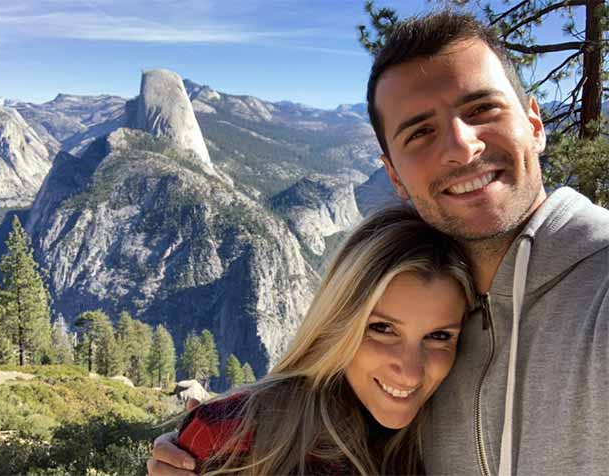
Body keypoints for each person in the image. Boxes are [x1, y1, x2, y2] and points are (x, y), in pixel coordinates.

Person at [149, 11, 609, 476]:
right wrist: (215, 435)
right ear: (395, 177)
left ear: (535, 124)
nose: (460, 146)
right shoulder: (391, 401)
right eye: (421, 132)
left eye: (481, 110)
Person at [148, 206, 476, 475]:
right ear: (338, 322)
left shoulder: (455, 438)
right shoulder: (230, 438)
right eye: (382, 329)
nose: (411, 372)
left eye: (439, 336)